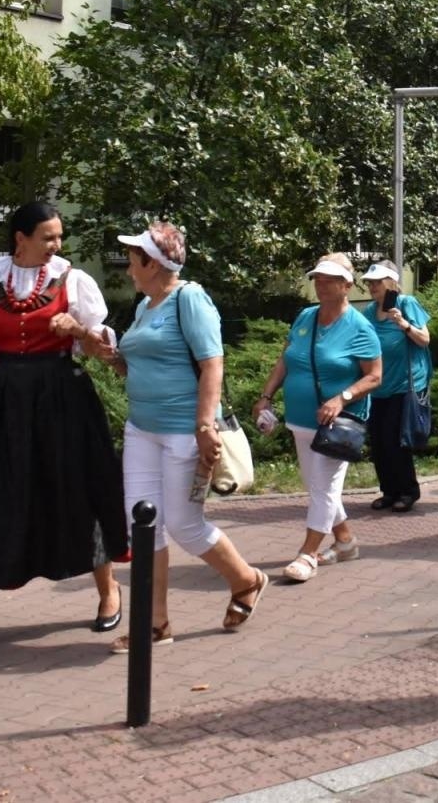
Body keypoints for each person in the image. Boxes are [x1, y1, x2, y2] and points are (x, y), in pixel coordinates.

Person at [0, 201, 128, 656]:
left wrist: (76, 331)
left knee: (79, 490)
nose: (57, 245)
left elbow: (101, 352)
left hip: (61, 397)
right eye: (48, 237)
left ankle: (109, 590)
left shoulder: (74, 281)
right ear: (21, 238)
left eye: (58, 236)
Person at [107, 223, 268, 650]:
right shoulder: (145, 307)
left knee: (184, 524)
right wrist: (108, 355)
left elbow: (213, 362)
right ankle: (155, 624)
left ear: (154, 263)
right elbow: (133, 366)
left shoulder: (189, 299)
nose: (128, 268)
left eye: (133, 258)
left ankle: (247, 580)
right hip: (141, 429)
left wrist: (204, 427)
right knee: (143, 526)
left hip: (184, 432)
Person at [254, 254, 381, 581]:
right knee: (318, 489)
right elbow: (285, 360)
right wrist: (266, 396)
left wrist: (342, 398)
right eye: (317, 278)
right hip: (300, 420)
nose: (321, 284)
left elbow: (374, 376)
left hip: (337, 425)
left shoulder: (360, 327)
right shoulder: (305, 317)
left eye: (329, 279)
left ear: (347, 285)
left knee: (323, 489)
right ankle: (346, 541)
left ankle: (307, 555)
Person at [359, 260, 432, 512]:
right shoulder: (369, 311)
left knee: (395, 440)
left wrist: (404, 325)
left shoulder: (406, 303)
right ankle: (388, 490)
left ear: (391, 282)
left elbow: (424, 340)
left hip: (405, 384)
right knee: (378, 440)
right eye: (369, 282)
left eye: (377, 282)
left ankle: (408, 491)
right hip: (378, 385)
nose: (372, 287)